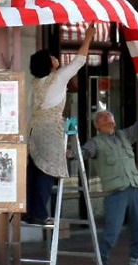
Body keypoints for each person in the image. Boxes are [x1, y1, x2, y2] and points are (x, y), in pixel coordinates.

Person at [23, 23, 96, 225]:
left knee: (34, 171)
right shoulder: (57, 78)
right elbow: (79, 61)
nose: (56, 58)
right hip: (50, 129)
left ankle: (28, 211)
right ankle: (39, 214)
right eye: (52, 57)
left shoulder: (35, 83)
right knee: (48, 171)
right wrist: (88, 37)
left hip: (34, 129)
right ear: (48, 64)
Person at [81, 109, 138, 265]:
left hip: (135, 188)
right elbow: (83, 152)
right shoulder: (96, 142)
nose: (107, 116)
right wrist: (70, 152)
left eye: (109, 114)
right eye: (102, 116)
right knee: (111, 231)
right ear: (97, 125)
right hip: (116, 193)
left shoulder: (124, 136)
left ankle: (133, 263)